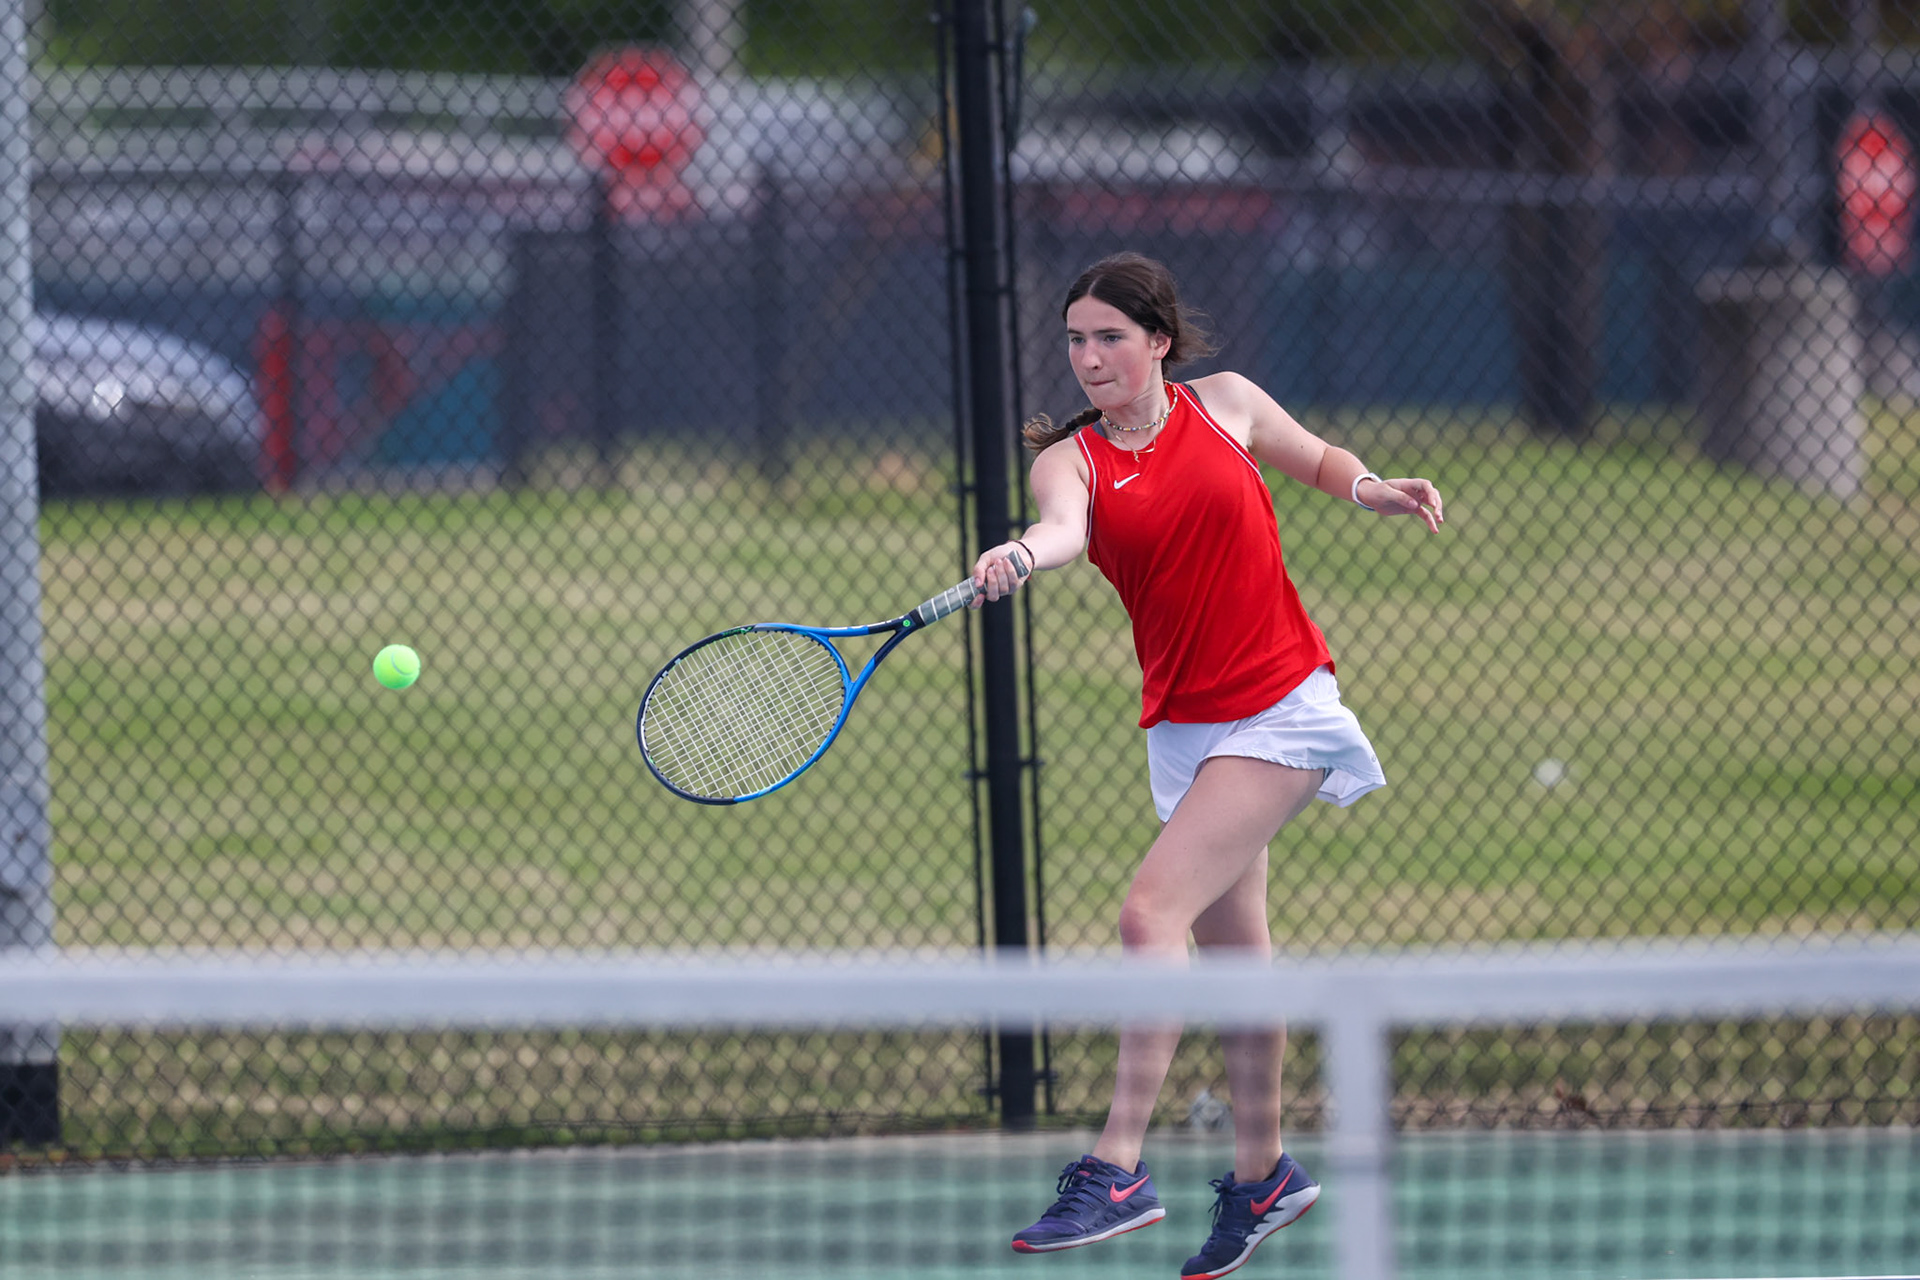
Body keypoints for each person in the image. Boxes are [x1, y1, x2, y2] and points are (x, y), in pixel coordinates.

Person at [972, 252, 1443, 1280]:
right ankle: (1264, 1172)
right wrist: (1018, 552)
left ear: (1158, 343)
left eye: (1108, 337)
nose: (1088, 357)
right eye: (1074, 340)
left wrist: (1373, 487)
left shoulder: (1226, 404)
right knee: (1238, 958)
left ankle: (1118, 1165)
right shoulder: (1074, 462)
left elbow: (1315, 458)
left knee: (1151, 913)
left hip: (1280, 705)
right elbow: (1062, 531)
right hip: (1184, 728)